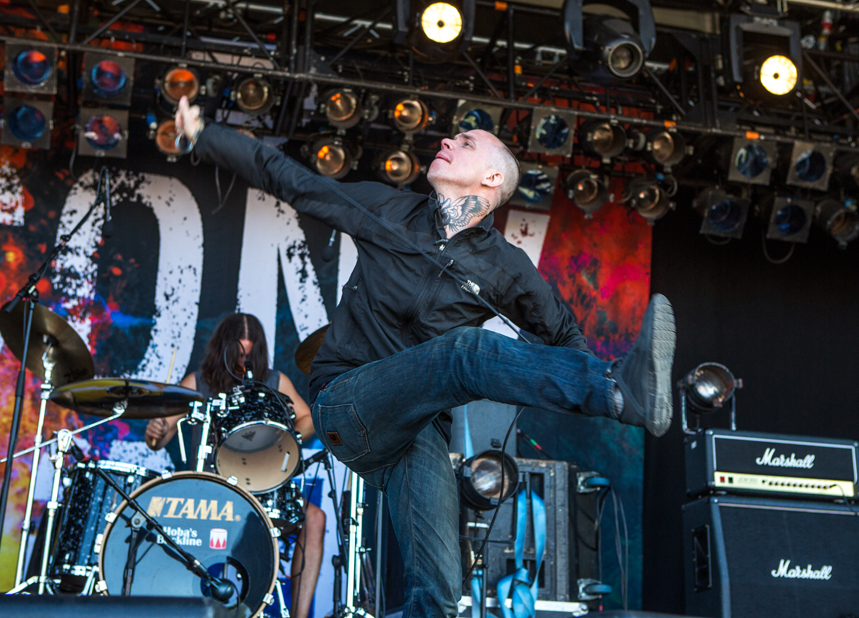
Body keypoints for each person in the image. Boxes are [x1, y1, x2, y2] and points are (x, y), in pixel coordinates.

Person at [175, 97, 676, 618]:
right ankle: (622, 393)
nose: (446, 141)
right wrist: (205, 134)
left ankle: (620, 391)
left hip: (418, 434)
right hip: (345, 403)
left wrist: (577, 379)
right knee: (464, 352)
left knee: (438, 595)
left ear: (491, 179)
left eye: (465, 143)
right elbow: (292, 180)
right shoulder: (387, 209)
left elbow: (566, 340)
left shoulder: (506, 266)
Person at [145, 313, 325, 618]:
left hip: (261, 488)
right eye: (238, 355)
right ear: (223, 350)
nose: (243, 361)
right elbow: (158, 437)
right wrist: (157, 430)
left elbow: (307, 418)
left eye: (249, 355)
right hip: (211, 491)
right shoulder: (199, 382)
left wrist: (282, 439)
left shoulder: (274, 381)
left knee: (315, 519)